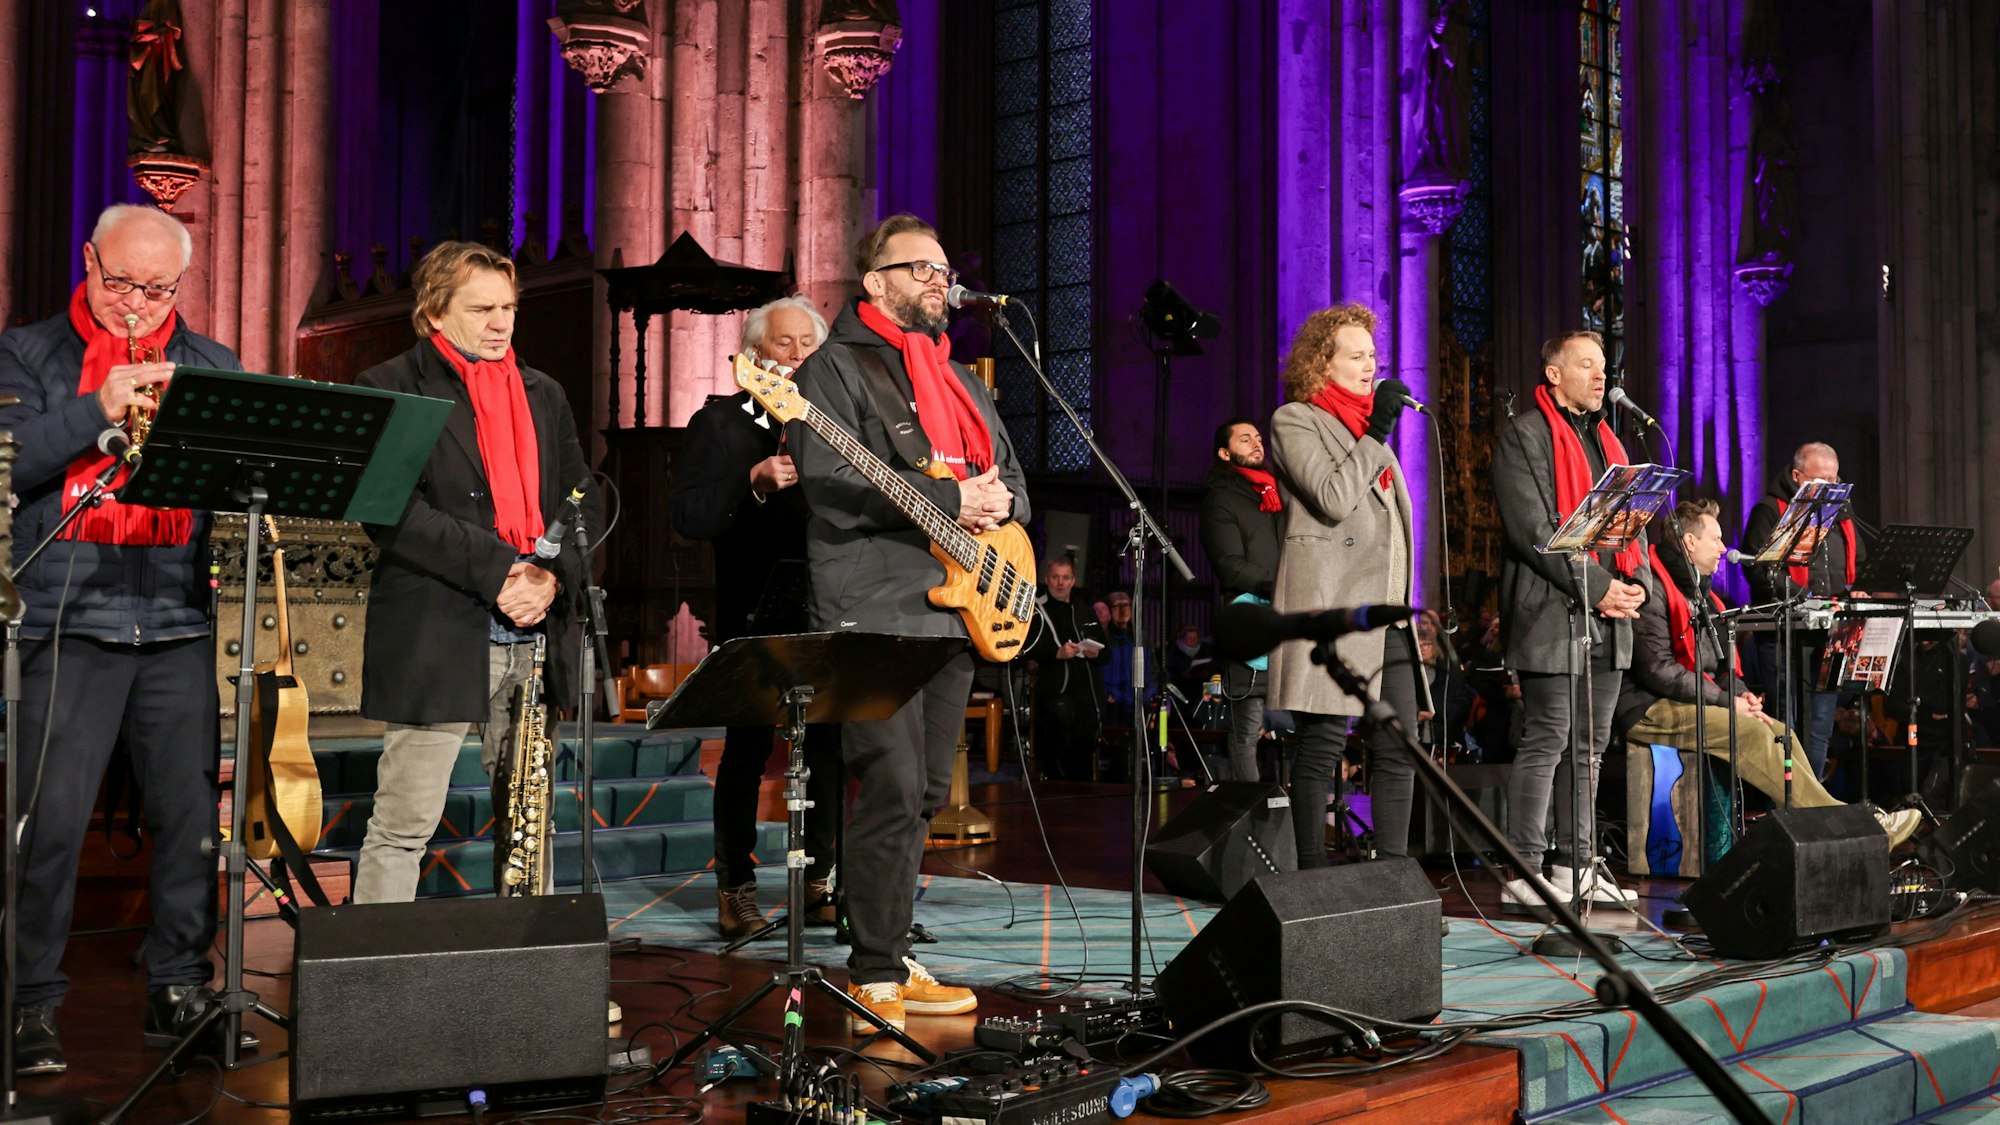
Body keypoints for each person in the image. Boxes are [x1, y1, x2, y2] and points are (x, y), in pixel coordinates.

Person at [0, 204, 244, 1075]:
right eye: (120, 282)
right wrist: (95, 405)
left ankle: (179, 985)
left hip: (175, 619)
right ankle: (28, 1004)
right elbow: (11, 456)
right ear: (88, 262)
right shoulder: (27, 353)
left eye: (157, 287)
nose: (135, 303)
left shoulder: (211, 363)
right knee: (49, 826)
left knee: (189, 824)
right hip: (66, 619)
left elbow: (235, 479)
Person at [788, 213, 1029, 1032]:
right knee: (888, 783)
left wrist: (1001, 508)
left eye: (943, 267)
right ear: (875, 283)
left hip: (958, 602)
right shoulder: (834, 369)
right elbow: (831, 483)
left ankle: (888, 944)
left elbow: (1015, 481)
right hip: (875, 604)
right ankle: (875, 971)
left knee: (925, 789)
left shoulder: (960, 377)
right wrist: (958, 498)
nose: (939, 280)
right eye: (919, 268)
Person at [351, 241, 600, 905]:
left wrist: (548, 576)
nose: (501, 322)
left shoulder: (544, 391)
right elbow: (391, 513)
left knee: (529, 825)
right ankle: (376, 983)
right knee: (405, 822)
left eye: (509, 308)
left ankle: (528, 975)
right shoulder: (392, 385)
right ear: (434, 312)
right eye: (482, 308)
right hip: (440, 626)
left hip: (536, 630)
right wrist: (500, 572)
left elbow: (581, 496)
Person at [670, 295, 843, 939]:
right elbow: (687, 516)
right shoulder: (719, 424)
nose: (798, 355)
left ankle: (825, 882)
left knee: (831, 743)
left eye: (808, 345)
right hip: (753, 608)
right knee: (746, 751)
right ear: (754, 354)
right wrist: (753, 480)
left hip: (830, 604)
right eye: (784, 344)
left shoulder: (834, 421)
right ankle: (735, 890)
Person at [1616, 499, 1920, 847]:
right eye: (1715, 539)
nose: (1723, 548)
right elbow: (1658, 671)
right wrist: (1727, 701)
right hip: (1647, 707)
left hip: (1692, 699)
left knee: (1779, 733)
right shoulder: (1652, 589)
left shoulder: (1704, 595)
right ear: (1689, 543)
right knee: (1749, 732)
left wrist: (1740, 693)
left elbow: (1723, 665)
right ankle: (1855, 829)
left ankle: (1825, 828)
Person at [1265, 302, 1432, 866]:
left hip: (1387, 614)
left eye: (1373, 355)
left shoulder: (1366, 431)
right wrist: (1379, 430)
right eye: (1356, 356)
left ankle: (1391, 880)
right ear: (1322, 363)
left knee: (1400, 745)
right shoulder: (1296, 420)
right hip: (1331, 605)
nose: (1370, 365)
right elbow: (1332, 499)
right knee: (1322, 747)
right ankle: (1312, 876)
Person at [1492, 330, 1648, 910]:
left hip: (1609, 616)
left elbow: (1635, 524)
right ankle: (1525, 870)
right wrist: (1603, 588)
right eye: (1587, 365)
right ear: (1555, 374)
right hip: (1548, 610)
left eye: (1603, 366)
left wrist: (1635, 590)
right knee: (1549, 739)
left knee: (1590, 746)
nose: (1600, 375)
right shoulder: (1523, 436)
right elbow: (1534, 533)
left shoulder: (1610, 443)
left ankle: (1576, 865)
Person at [1740, 442, 1866, 779]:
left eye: (1834, 480)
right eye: (1821, 481)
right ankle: (1785, 807)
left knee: (1822, 724)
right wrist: (1806, 598)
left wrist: (1860, 590)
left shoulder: (1843, 514)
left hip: (1832, 634)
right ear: (1797, 477)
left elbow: (1860, 564)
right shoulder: (1770, 510)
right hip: (1784, 636)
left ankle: (1814, 806)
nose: (1830, 488)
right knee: (1787, 723)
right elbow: (1758, 568)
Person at [1199, 417, 1283, 779]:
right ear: (1224, 452)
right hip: (1249, 622)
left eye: (1258, 438)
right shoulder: (1220, 498)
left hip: (1289, 620)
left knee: (1298, 726)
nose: (1256, 443)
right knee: (1247, 731)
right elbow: (1230, 566)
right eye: (1245, 439)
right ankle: (1248, 813)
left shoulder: (1274, 492)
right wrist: (1278, 586)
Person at [1023, 556, 1108, 781]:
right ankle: (1056, 788)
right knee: (1060, 720)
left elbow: (1107, 652)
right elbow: (1024, 648)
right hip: (1054, 689)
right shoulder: (1036, 611)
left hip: (1086, 689)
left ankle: (1082, 793)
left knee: (1087, 731)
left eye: (1065, 578)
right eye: (1055, 577)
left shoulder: (1085, 611)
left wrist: (1095, 651)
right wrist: (1056, 653)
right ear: (1046, 579)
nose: (1060, 583)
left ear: (1073, 581)